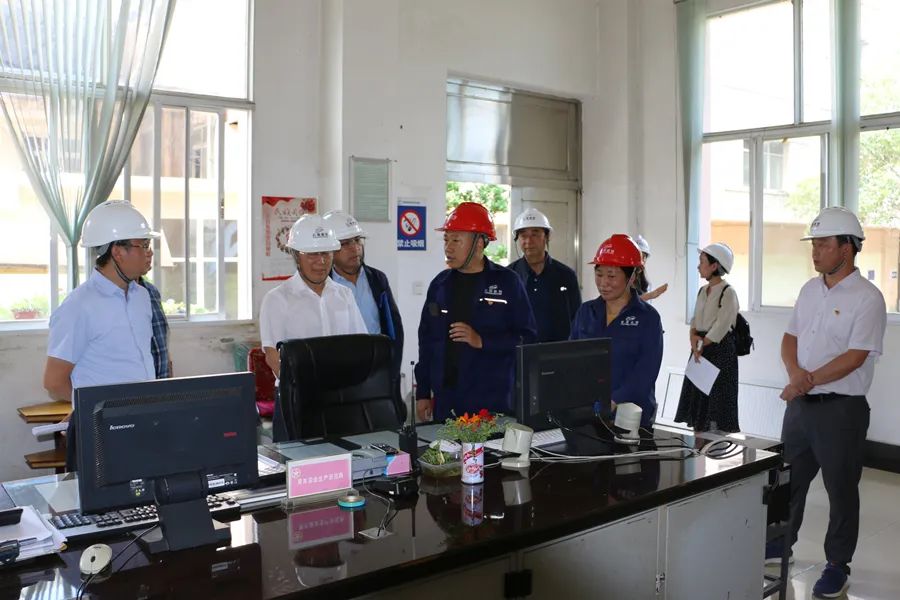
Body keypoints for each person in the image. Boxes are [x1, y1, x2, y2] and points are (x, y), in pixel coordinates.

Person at [767, 207, 886, 598]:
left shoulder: (867, 298)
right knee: (788, 481)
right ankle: (778, 546)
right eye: (813, 245)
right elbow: (790, 338)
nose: (815, 252)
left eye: (822, 244)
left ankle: (837, 565)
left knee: (841, 490)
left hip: (841, 410)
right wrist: (795, 376)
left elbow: (855, 356)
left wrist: (806, 380)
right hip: (801, 407)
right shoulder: (809, 290)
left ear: (846, 248)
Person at [43, 200, 159, 469]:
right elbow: (54, 381)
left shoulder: (142, 297)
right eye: (143, 245)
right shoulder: (79, 306)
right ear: (117, 251)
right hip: (100, 429)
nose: (150, 253)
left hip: (143, 421)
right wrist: (91, 409)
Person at [415, 202, 537, 422]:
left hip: (490, 401)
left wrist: (482, 341)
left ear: (479, 243)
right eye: (446, 240)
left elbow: (527, 338)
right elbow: (426, 341)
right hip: (446, 401)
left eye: (456, 240)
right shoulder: (440, 285)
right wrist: (423, 392)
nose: (448, 247)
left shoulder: (508, 282)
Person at [259, 214, 368, 440]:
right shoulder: (277, 299)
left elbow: (360, 346)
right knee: (294, 460)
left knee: (342, 459)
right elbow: (273, 357)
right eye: (312, 254)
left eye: (326, 253)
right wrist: (306, 390)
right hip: (295, 401)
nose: (321, 262)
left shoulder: (344, 295)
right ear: (296, 256)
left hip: (340, 401)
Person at [569, 234, 663, 428]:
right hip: (588, 414)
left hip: (631, 418)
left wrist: (614, 400)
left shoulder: (648, 318)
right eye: (599, 274)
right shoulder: (586, 312)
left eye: (611, 276)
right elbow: (570, 358)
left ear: (632, 277)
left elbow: (646, 371)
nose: (603, 283)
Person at [323, 209, 404, 381]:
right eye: (345, 243)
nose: (355, 248)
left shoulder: (377, 279)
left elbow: (394, 327)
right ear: (329, 249)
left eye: (357, 240)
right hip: (339, 373)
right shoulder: (323, 285)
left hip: (378, 369)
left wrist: (393, 371)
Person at [674, 242, 740, 433]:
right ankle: (699, 440)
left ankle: (714, 445)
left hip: (719, 351)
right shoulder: (703, 291)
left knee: (716, 401)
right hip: (701, 348)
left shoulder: (728, 292)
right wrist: (693, 339)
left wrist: (701, 344)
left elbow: (722, 325)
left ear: (714, 266)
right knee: (698, 399)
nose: (698, 266)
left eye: (702, 262)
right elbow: (696, 319)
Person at [507, 208, 581, 342]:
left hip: (557, 352)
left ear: (547, 237)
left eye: (535, 234)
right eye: (523, 235)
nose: (528, 241)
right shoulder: (509, 276)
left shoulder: (566, 275)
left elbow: (577, 319)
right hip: (520, 351)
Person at [138, 266, 172, 379]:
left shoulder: (152, 291)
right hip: (137, 383)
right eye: (144, 247)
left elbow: (161, 337)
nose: (149, 256)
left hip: (161, 381)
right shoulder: (117, 296)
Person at [632, 234, 668, 301]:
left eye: (644, 256)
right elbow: (623, 304)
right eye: (638, 256)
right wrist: (650, 295)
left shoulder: (645, 283)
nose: (642, 260)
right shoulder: (622, 279)